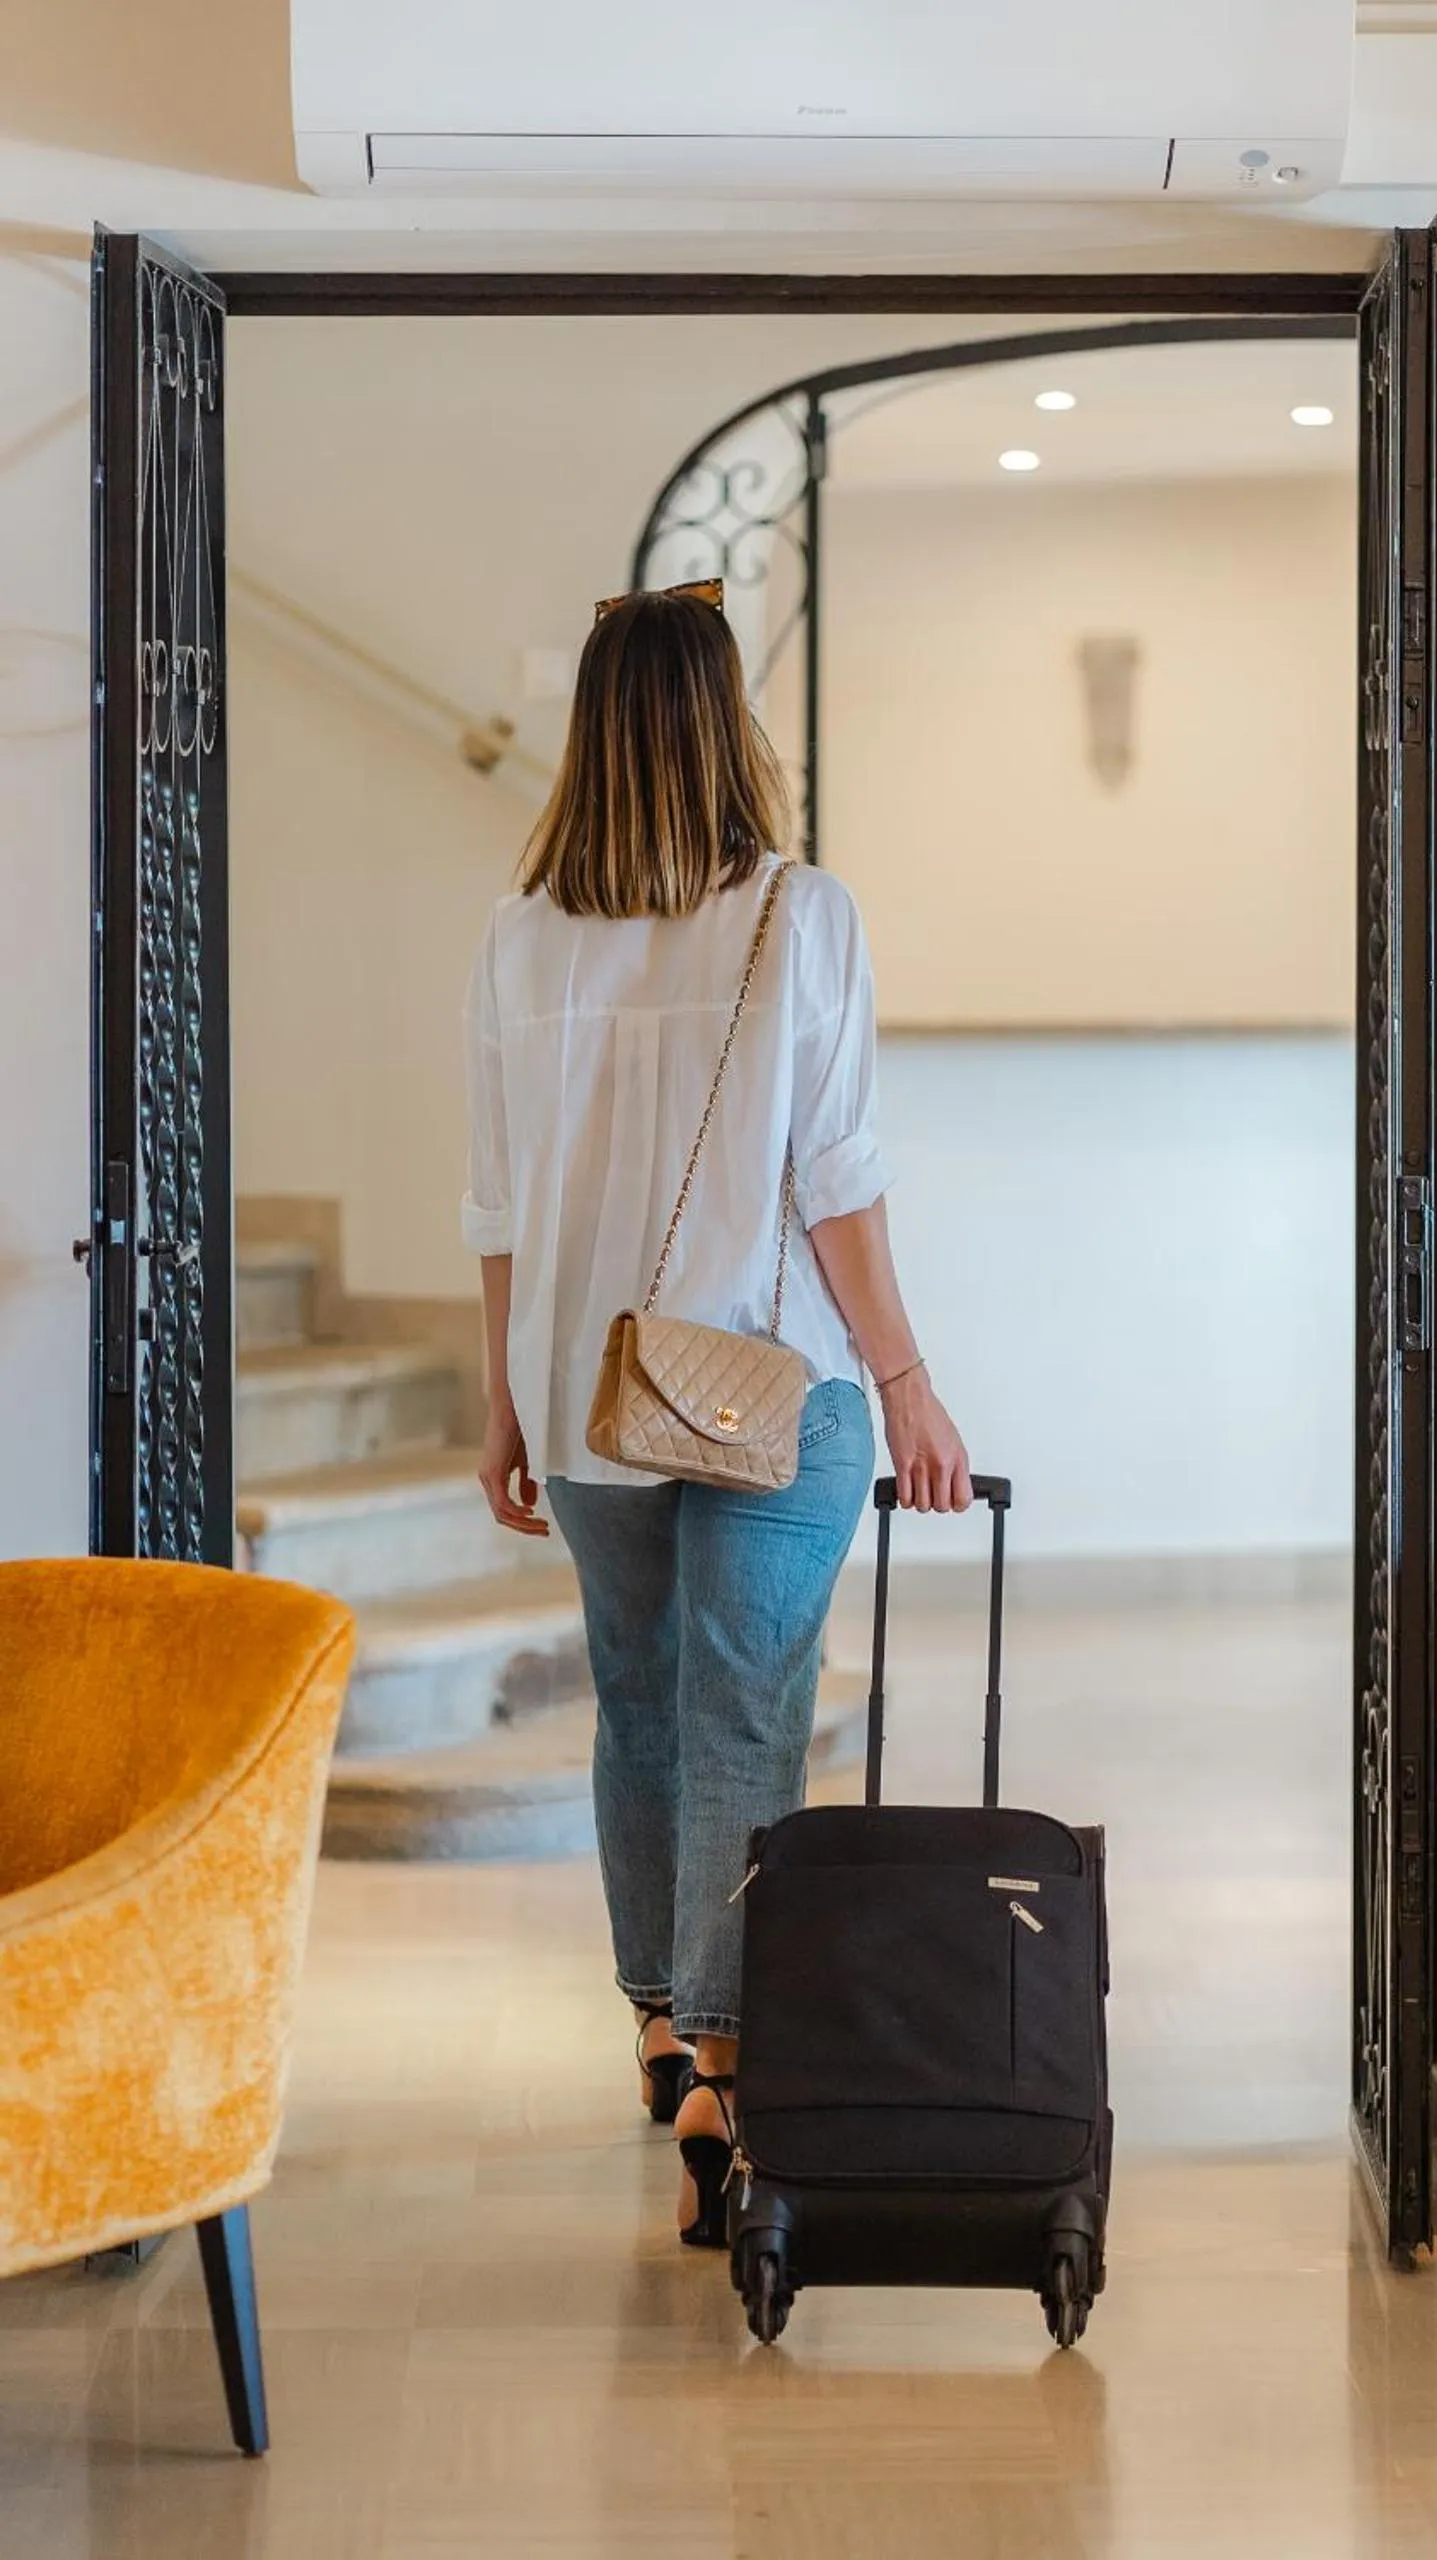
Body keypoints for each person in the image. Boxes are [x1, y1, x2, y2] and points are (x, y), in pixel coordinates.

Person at [462, 586, 970, 2244]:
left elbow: (497, 1202)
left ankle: (661, 2025)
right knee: (745, 1713)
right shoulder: (800, 912)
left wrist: (505, 1401)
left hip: (585, 1387)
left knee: (641, 1700)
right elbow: (836, 1183)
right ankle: (726, 2068)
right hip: (770, 1383)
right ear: (726, 726)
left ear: (594, 733)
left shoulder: (521, 932)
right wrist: (902, 1380)